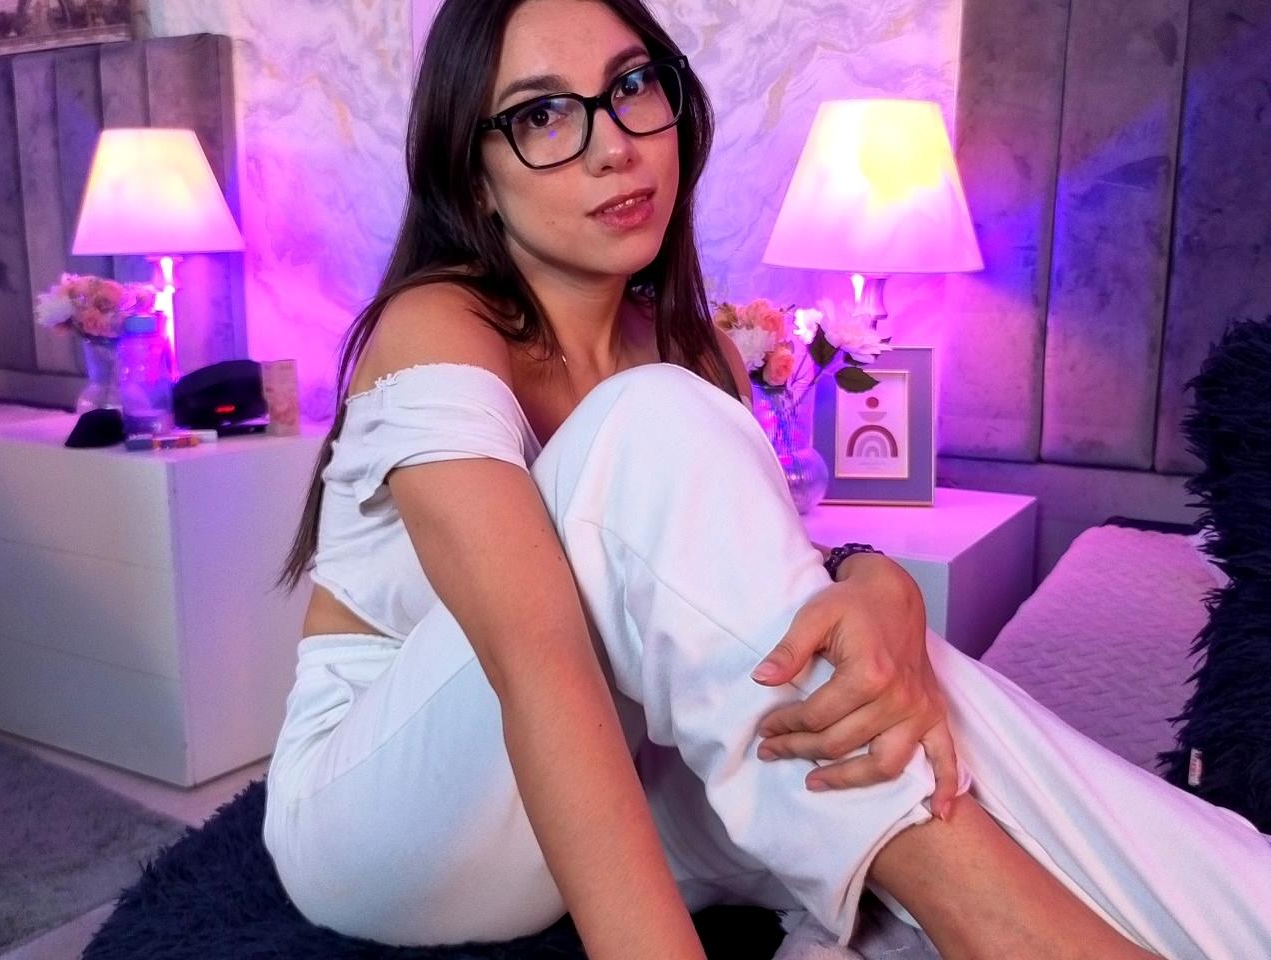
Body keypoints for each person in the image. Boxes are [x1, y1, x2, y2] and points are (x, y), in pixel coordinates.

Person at [262, 1, 1271, 958]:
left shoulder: (694, 356)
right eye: (541, 116)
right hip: (385, 818)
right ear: (474, 179)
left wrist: (873, 585)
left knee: (906, 689)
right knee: (659, 430)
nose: (613, 145)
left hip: (614, 772)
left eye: (631, 87)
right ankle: (996, 925)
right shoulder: (438, 326)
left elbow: (746, 602)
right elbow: (537, 661)